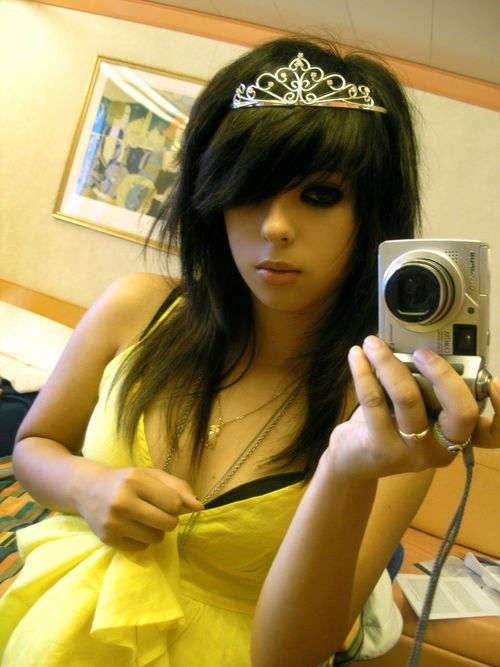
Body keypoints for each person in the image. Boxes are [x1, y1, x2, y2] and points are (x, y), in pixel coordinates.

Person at [0, 36, 498, 667]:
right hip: (55, 632)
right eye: (249, 190)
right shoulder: (137, 307)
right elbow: (33, 445)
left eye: (320, 195)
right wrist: (86, 484)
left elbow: (293, 654)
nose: (275, 227)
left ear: (370, 212)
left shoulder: (393, 412)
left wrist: (344, 469)